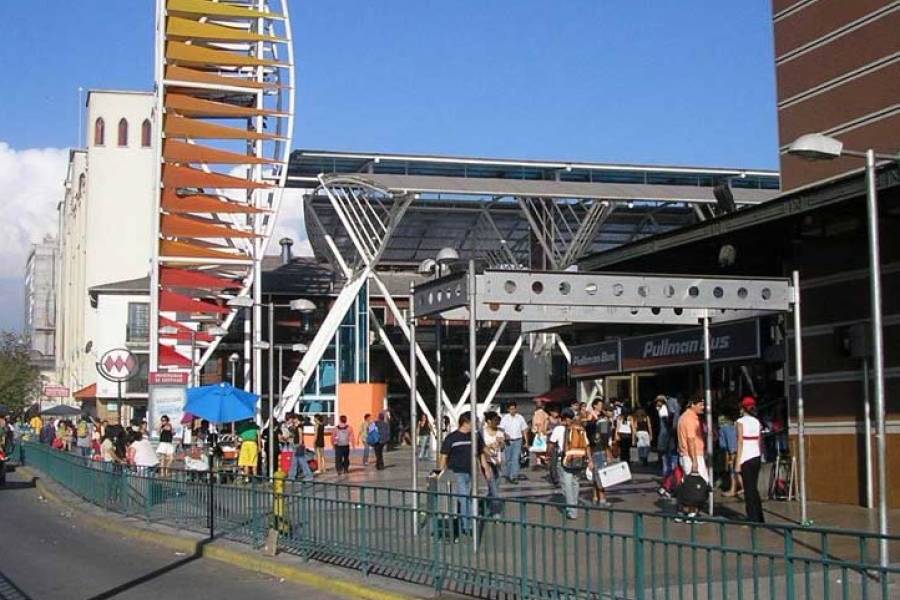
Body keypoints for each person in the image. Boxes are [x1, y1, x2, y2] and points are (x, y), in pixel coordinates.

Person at [438, 411, 483, 537]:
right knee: (464, 498)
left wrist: (484, 466)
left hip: (471, 472)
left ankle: (465, 521)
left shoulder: (474, 437)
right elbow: (443, 456)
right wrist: (440, 473)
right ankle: (467, 525)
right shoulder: (452, 438)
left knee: (468, 499)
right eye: (474, 422)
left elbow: (480, 453)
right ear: (466, 422)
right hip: (457, 472)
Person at [549, 409, 592, 519]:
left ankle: (572, 511)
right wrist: (590, 460)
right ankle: (574, 505)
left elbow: (552, 444)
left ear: (562, 418)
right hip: (579, 459)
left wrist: (548, 455)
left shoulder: (558, 429)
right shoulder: (580, 428)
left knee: (567, 486)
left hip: (565, 460)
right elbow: (587, 445)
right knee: (575, 483)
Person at [677, 397, 708, 520]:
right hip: (693, 456)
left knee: (689, 483)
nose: (703, 407)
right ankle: (692, 511)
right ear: (692, 405)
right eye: (700, 405)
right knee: (698, 484)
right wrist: (695, 460)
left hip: (687, 455)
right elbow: (691, 440)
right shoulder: (690, 419)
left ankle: (687, 509)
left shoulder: (684, 417)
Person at [736, 396, 765, 523]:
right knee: (754, 488)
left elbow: (740, 442)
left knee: (748, 490)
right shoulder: (757, 422)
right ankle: (759, 517)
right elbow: (759, 441)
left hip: (745, 458)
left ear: (743, 408)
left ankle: (752, 518)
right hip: (756, 456)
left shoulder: (740, 422)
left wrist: (737, 463)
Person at [585, 400, 610, 506]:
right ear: (595, 405)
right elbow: (604, 438)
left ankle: (595, 497)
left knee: (596, 476)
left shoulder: (590, 418)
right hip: (599, 449)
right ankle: (602, 499)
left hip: (593, 449)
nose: (601, 407)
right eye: (600, 405)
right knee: (602, 476)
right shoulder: (602, 421)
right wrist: (608, 452)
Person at [480, 411, 505, 517]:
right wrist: (489, 446)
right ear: (488, 421)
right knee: (493, 487)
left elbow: (503, 447)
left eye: (498, 420)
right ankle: (495, 511)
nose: (497, 422)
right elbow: (480, 447)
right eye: (495, 420)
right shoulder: (482, 433)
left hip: (498, 461)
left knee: (495, 486)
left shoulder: (500, 432)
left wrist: (501, 443)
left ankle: (483, 504)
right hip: (487, 461)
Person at [499, 402, 528, 484]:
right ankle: (509, 474)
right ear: (508, 409)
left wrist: (526, 441)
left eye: (514, 408)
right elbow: (501, 429)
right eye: (511, 409)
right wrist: (505, 434)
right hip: (508, 441)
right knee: (509, 459)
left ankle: (513, 476)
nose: (513, 410)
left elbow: (524, 429)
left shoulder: (520, 418)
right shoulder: (505, 418)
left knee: (515, 458)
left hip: (518, 440)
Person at [718, 413, 740, 497]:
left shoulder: (727, 427)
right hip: (729, 451)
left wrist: (731, 458)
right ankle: (735, 488)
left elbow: (732, 446)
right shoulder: (725, 427)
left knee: (733, 470)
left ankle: (733, 489)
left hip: (733, 452)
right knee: (733, 470)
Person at [288, 415, 314, 482]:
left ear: (297, 419)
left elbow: (300, 436)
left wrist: (299, 445)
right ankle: (292, 476)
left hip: (298, 446)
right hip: (296, 445)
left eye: (295, 419)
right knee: (294, 462)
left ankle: (309, 475)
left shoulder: (299, 427)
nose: (294, 420)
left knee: (302, 461)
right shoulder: (297, 426)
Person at [545, 405, 561, 486]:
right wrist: (551, 430)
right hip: (551, 442)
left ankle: (558, 476)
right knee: (553, 461)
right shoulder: (548, 420)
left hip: (558, 442)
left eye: (557, 411)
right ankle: (554, 478)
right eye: (554, 411)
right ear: (551, 412)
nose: (556, 413)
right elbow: (544, 431)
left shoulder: (559, 420)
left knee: (558, 461)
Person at [530, 400, 549, 467]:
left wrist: (538, 433)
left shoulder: (538, 413)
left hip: (539, 432)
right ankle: (539, 461)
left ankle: (544, 459)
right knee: (540, 448)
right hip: (543, 432)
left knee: (537, 448)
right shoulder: (545, 413)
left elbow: (538, 424)